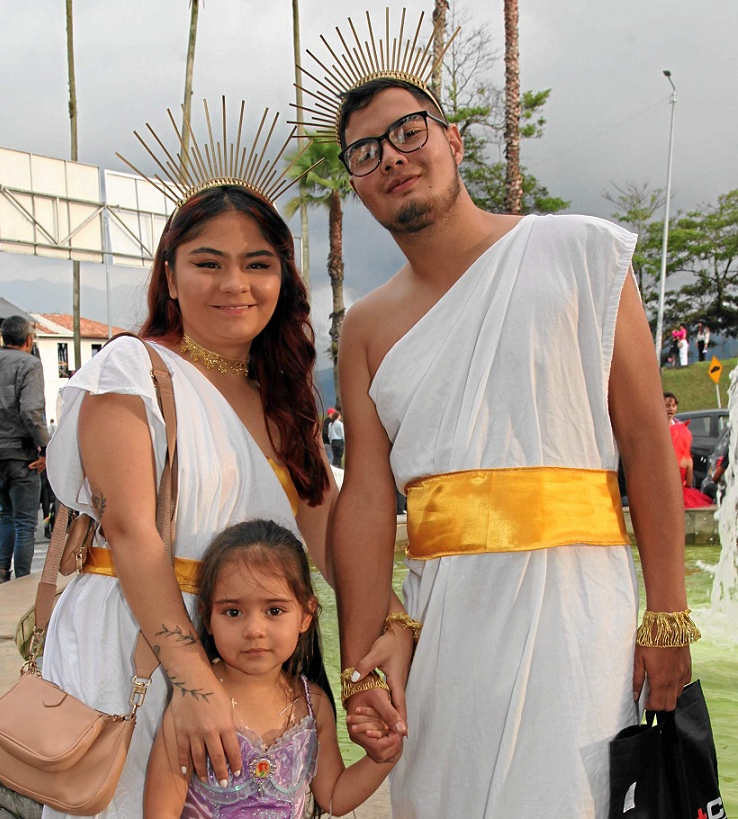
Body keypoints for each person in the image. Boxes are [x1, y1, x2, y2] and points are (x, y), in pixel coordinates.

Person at [298, 14, 696, 816]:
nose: (392, 158)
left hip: (581, 615)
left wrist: (667, 613)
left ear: (452, 139)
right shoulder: (369, 328)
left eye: (408, 132)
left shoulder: (582, 253)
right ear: (356, 183)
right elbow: (370, 501)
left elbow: (647, 445)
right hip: (445, 629)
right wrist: (363, 665)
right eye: (365, 153)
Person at [41, 103, 341, 819]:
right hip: (132, 646)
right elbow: (134, 532)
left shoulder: (283, 399)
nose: (234, 283)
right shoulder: (130, 369)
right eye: (207, 262)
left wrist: (387, 624)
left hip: (245, 654)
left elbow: (327, 535)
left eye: (257, 264)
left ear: (283, 280)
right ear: (169, 277)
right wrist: (196, 682)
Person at [145, 518, 395, 817]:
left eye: (274, 610)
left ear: (306, 614)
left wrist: (383, 759)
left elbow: (333, 797)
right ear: (207, 616)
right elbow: (161, 812)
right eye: (233, 611)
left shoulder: (312, 704)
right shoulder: (195, 705)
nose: (253, 629)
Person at [0, 315, 49, 582]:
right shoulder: (29, 365)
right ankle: (23, 582)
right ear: (28, 340)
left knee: (6, 515)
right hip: (22, 454)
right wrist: (45, 450)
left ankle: (0, 571)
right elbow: (31, 411)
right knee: (25, 522)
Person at [664, 392, 713, 508]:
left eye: (673, 406)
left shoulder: (679, 425)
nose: (671, 409)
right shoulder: (657, 426)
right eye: (667, 406)